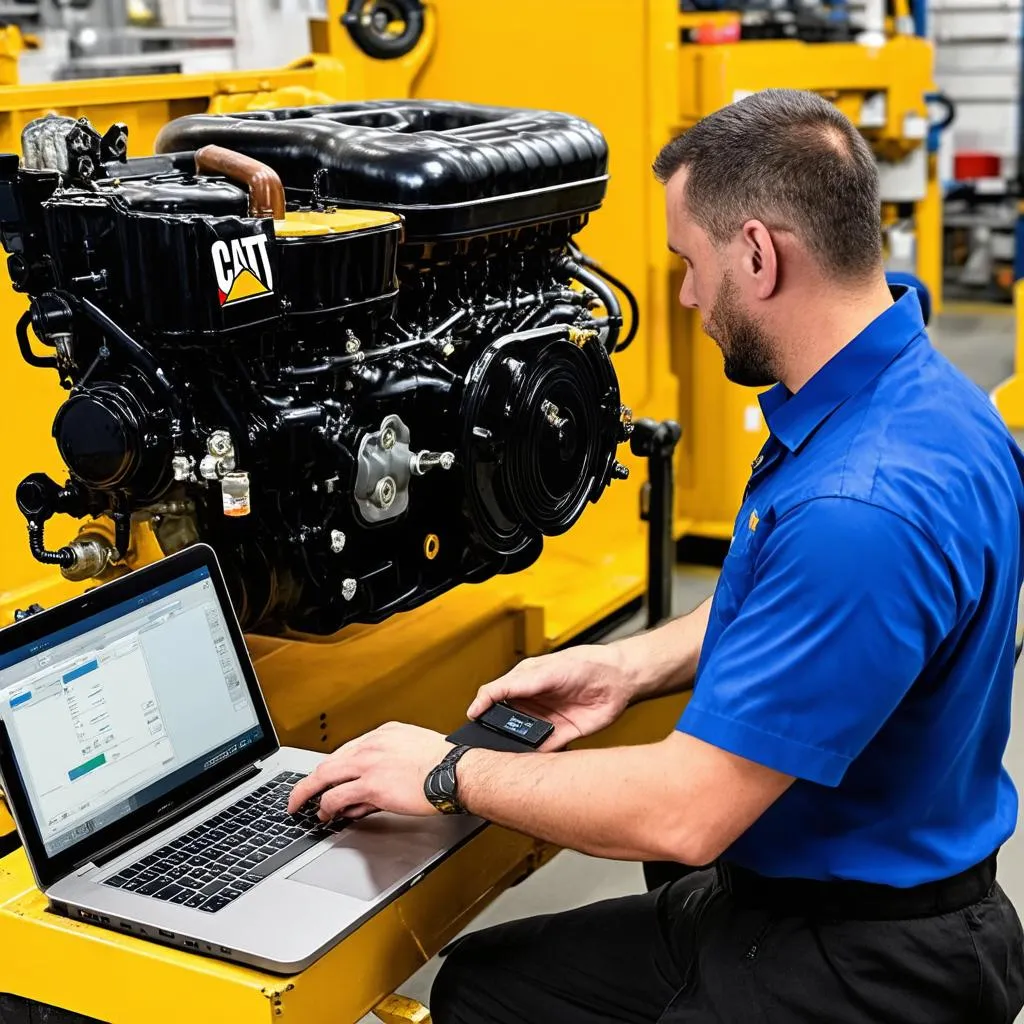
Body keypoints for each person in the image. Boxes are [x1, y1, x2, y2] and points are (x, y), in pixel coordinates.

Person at [288, 89, 1024, 1022]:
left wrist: (446, 772)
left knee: (494, 997)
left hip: (860, 962)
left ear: (758, 255)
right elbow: (811, 604)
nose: (685, 296)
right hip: (871, 895)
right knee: (485, 981)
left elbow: (687, 811)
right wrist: (626, 664)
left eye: (690, 264)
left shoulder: (859, 505)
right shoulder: (921, 403)